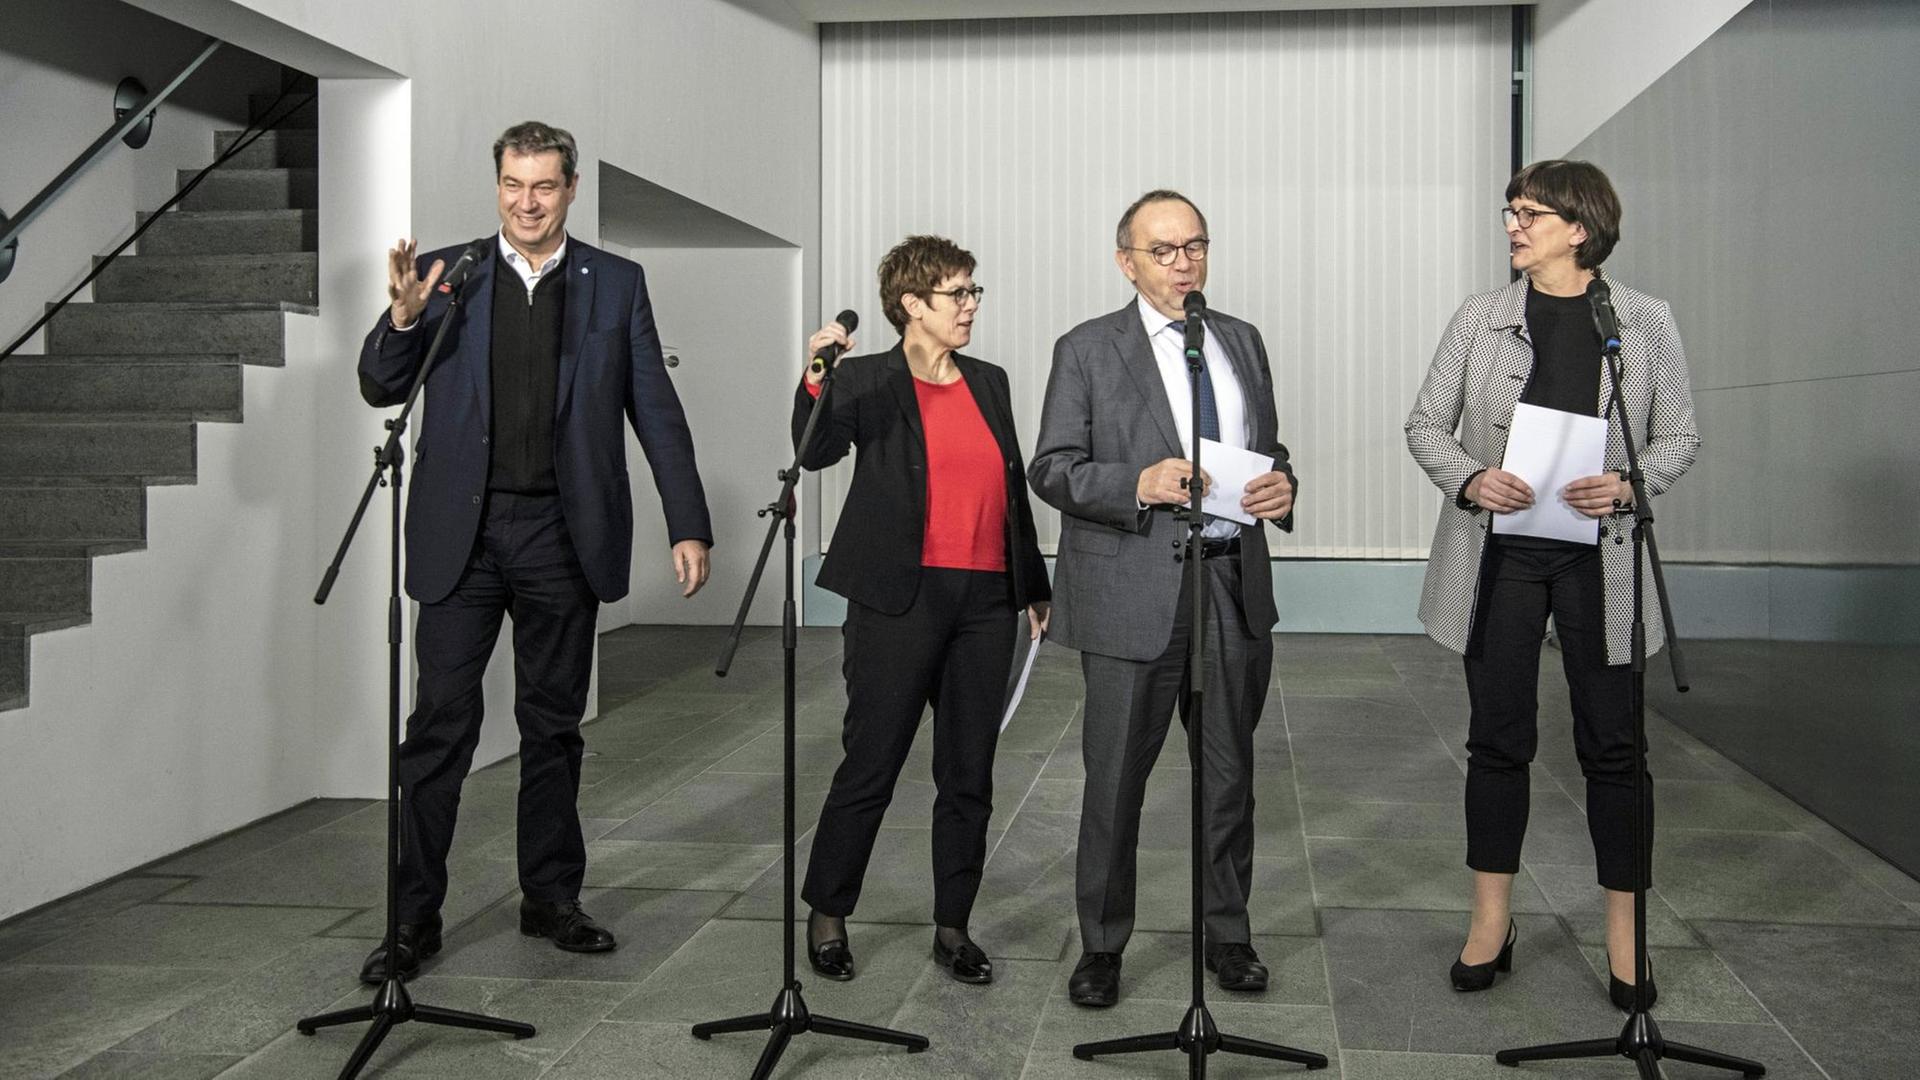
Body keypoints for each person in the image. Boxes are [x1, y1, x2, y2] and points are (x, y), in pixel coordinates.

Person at [355, 121, 713, 983]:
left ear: (571, 188)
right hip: (461, 538)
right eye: (513, 185)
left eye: (543, 186)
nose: (526, 202)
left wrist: (687, 520)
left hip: (562, 533)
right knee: (438, 728)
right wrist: (403, 320)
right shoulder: (448, 274)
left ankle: (550, 898)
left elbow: (653, 409)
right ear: (498, 187)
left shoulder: (615, 283)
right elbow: (379, 383)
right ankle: (411, 921)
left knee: (552, 728)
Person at [1404, 159, 1700, 1010]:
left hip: (1599, 554)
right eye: (1511, 210)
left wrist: (1628, 485)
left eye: (1530, 213)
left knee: (1615, 747)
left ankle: (1625, 936)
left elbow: (1678, 435)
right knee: (1498, 739)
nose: (1512, 224)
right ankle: (1490, 923)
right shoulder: (1480, 318)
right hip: (1499, 554)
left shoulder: (1643, 322)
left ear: (1581, 227)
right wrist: (1469, 477)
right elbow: (1426, 423)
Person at [1029, 190, 1297, 1008]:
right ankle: (1103, 946)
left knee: (1228, 776)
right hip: (1131, 591)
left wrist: (1282, 484)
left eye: (1196, 247)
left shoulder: (1240, 340)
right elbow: (1052, 467)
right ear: (1127, 261)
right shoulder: (1086, 348)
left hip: (1228, 580)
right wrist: (1135, 484)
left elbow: (1268, 446)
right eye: (1164, 250)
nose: (1184, 264)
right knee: (1115, 779)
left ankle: (1230, 934)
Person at [794, 235, 1051, 986]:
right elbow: (813, 455)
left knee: (968, 771)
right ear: (912, 304)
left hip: (984, 600)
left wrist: (1032, 584)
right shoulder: (867, 379)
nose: (970, 307)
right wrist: (815, 376)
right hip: (897, 598)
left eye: (974, 293)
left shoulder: (990, 381)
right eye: (956, 295)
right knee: (871, 762)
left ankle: (953, 926)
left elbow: (1011, 490)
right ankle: (828, 911)